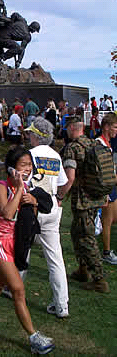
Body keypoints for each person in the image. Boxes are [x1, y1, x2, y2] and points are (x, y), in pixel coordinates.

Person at [0, 147, 55, 355]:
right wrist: (17, 190)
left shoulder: (26, 186)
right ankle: (34, 337)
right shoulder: (2, 186)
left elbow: (32, 212)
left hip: (14, 244)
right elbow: (7, 213)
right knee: (18, 290)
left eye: (29, 165)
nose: (27, 169)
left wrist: (33, 200)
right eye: (22, 165)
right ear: (11, 168)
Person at [24, 117, 69, 318]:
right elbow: (62, 182)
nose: (29, 137)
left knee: (22, 250)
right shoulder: (55, 155)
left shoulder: (28, 155)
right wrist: (58, 198)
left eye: (31, 134)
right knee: (55, 257)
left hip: (31, 205)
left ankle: (14, 289)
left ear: (37, 136)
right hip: (50, 206)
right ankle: (62, 305)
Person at [61, 117, 109, 292]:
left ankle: (99, 279)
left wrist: (60, 195)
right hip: (96, 197)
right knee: (76, 232)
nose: (65, 131)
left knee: (87, 237)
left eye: (67, 128)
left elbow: (70, 177)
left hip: (82, 200)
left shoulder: (73, 148)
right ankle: (82, 270)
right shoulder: (94, 144)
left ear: (73, 128)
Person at [95, 113, 117, 265]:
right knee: (107, 221)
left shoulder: (108, 145)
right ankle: (106, 252)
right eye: (115, 127)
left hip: (111, 186)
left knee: (111, 219)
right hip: (105, 188)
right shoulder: (99, 144)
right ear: (107, 127)